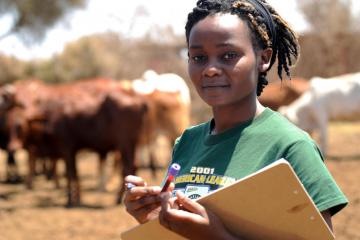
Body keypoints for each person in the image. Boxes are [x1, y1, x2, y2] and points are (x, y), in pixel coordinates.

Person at [123, 0, 348, 239]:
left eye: (228, 55)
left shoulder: (291, 146)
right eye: (198, 57)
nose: (210, 69)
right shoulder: (187, 141)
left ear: (264, 58)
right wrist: (158, 218)